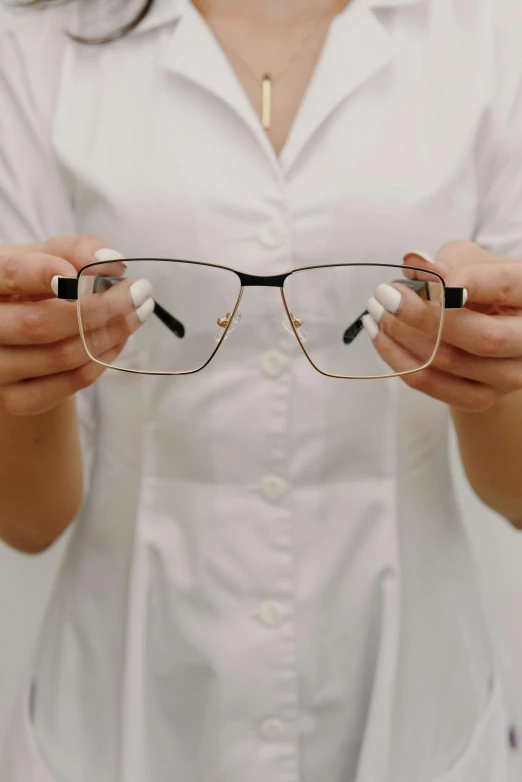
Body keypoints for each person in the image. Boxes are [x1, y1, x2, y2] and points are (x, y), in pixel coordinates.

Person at [1, 0, 522, 780]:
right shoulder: (41, 42)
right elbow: (28, 521)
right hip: (126, 698)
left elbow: (516, 490)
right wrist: (26, 371)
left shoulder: (486, 34)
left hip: (412, 697)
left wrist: (487, 358)